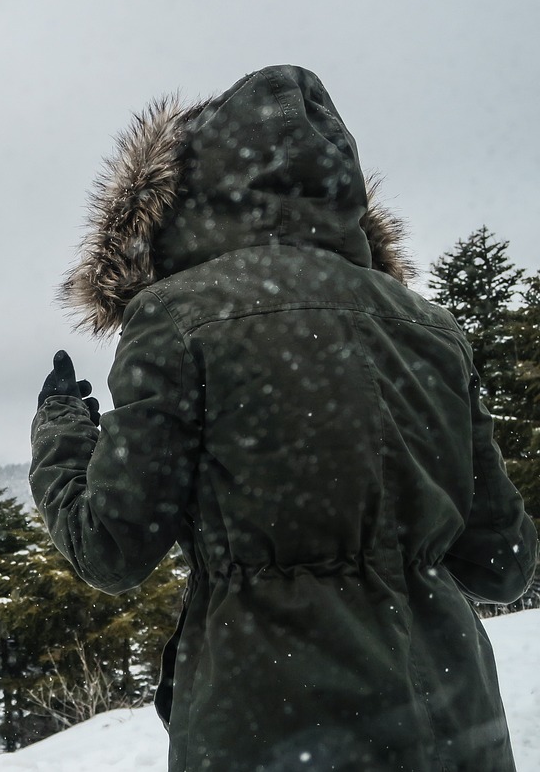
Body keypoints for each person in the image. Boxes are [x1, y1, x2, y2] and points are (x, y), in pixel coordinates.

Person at [30, 65, 537, 772]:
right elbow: (503, 563)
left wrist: (60, 432)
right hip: (456, 730)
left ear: (189, 190)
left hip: (274, 730)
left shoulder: (176, 319)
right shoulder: (429, 328)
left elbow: (112, 547)